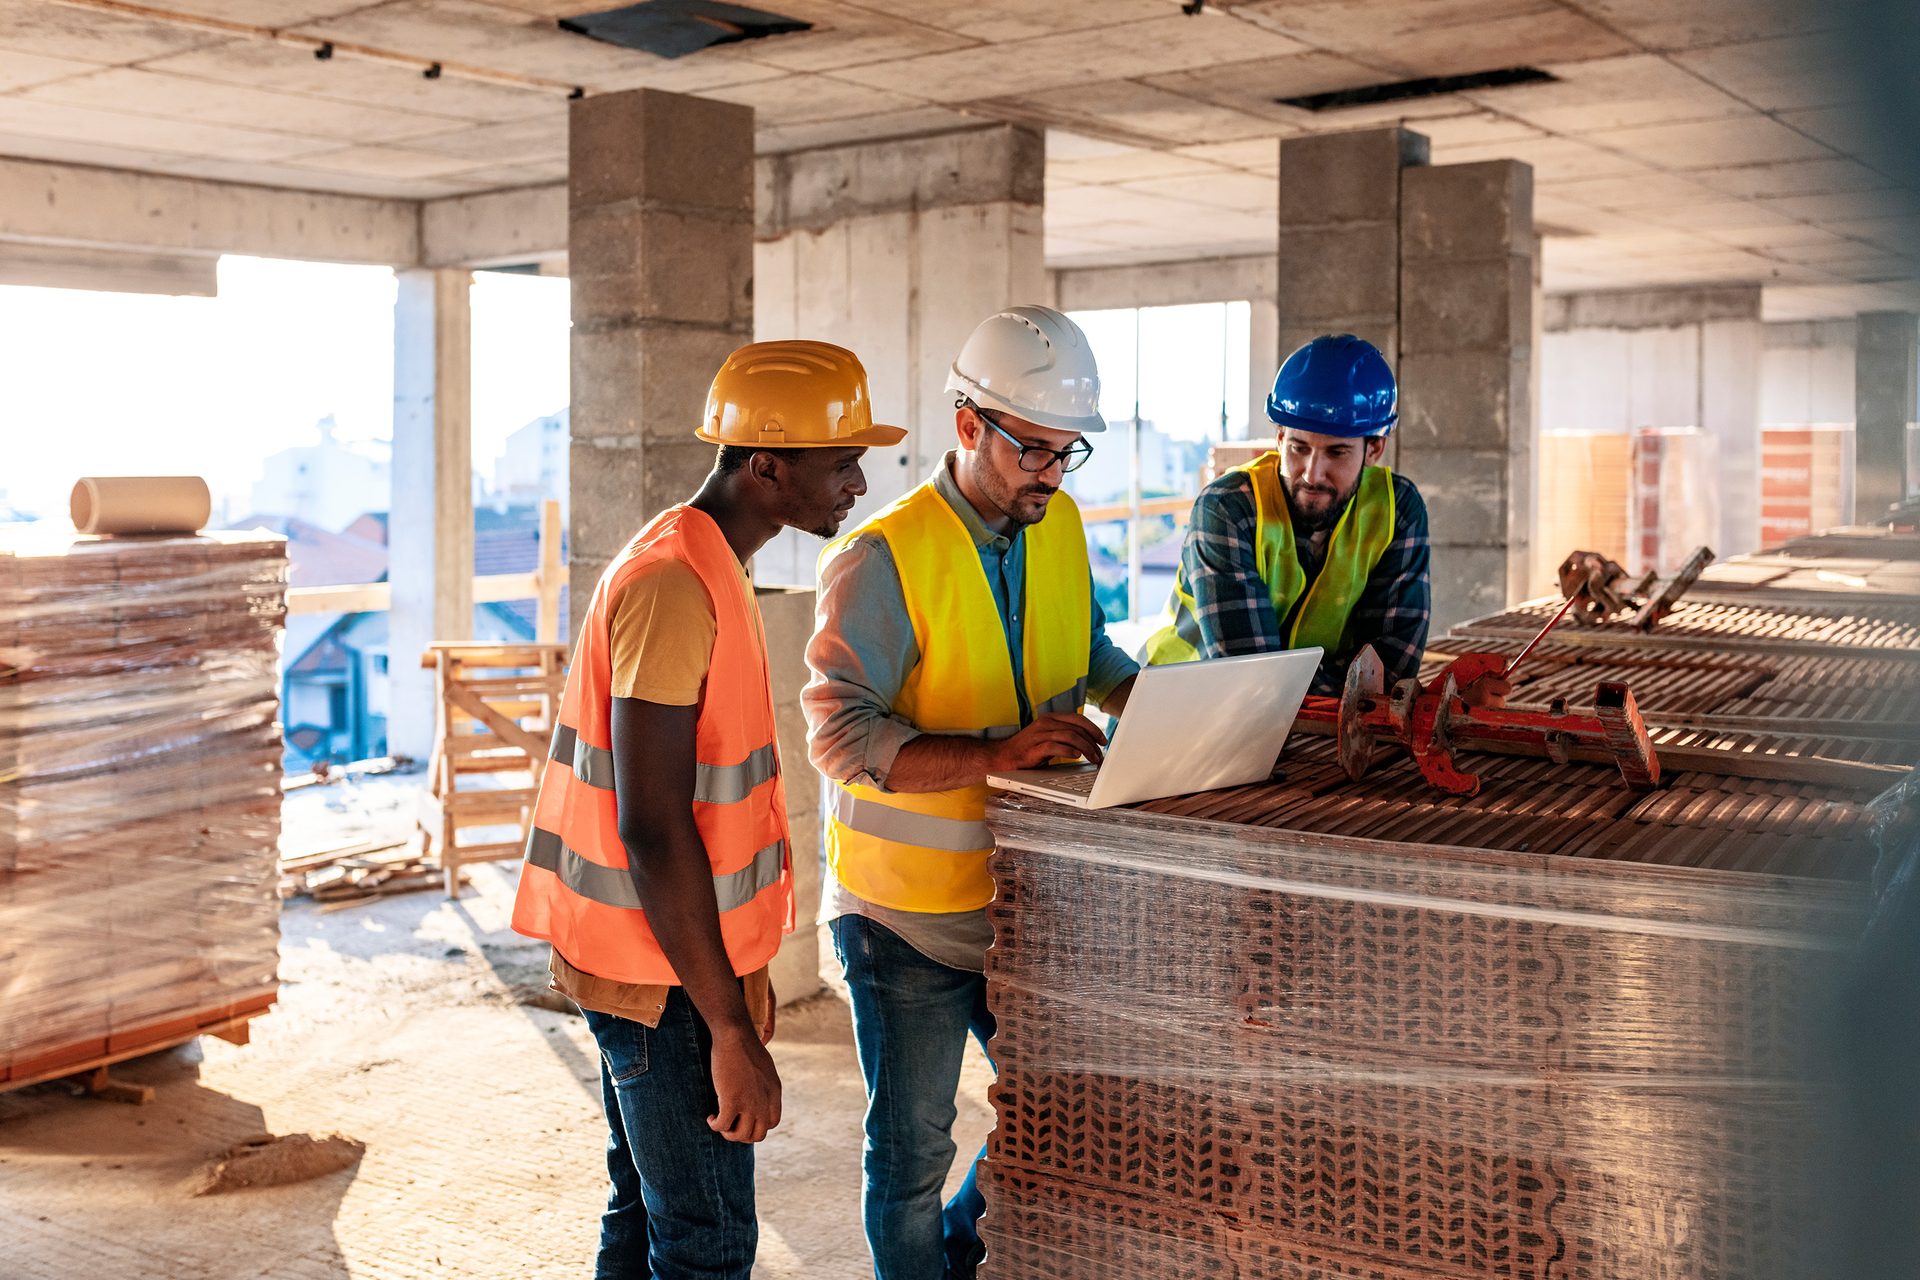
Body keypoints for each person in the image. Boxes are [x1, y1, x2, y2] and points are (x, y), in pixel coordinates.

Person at [512, 340, 903, 1280]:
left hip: (663, 959)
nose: (856, 482)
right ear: (766, 463)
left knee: (650, 1215)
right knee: (708, 1241)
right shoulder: (674, 585)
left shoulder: (708, 560)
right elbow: (651, 825)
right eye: (840, 460)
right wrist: (728, 1029)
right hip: (663, 980)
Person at [803, 304, 1139, 1279]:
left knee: (1059, 1109)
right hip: (903, 915)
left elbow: (1091, 651)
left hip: (1028, 902)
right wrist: (997, 753)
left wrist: (1156, 703)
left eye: (1066, 451)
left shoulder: (1061, 523)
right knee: (910, 1154)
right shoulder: (881, 558)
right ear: (967, 426)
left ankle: (954, 1256)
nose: (1049, 471)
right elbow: (838, 732)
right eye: (1031, 448)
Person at [1142, 334, 1483, 700]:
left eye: (1336, 452)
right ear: (1279, 437)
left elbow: (1389, 670)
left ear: (1375, 448)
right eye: (1298, 448)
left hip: (1298, 728)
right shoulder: (1227, 508)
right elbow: (1251, 678)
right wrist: (1362, 695)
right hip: (1172, 714)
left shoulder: (1397, 510)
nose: (1312, 473)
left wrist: (1373, 695)